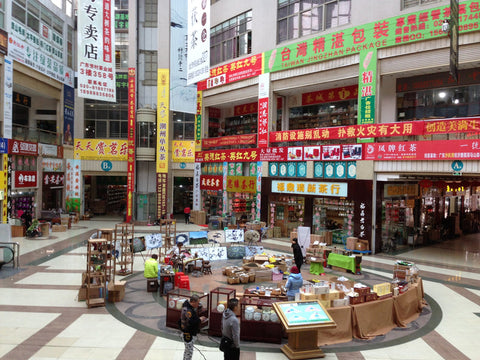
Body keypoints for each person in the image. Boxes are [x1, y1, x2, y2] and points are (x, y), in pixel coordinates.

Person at [180, 294, 201, 360]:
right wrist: (199, 320)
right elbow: (190, 323)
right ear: (193, 302)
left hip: (187, 333)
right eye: (197, 303)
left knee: (187, 351)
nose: (198, 305)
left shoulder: (187, 307)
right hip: (188, 334)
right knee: (189, 352)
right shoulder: (188, 310)